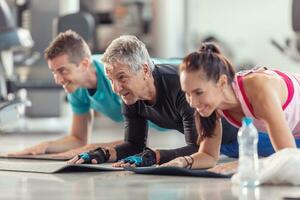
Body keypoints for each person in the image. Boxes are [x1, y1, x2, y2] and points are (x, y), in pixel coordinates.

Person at [68, 36, 239, 166]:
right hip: (219, 148)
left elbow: (197, 148)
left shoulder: (181, 86)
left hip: (246, 135)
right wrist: (103, 153)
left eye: (121, 77)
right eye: (111, 80)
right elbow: (134, 144)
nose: (116, 88)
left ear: (144, 70)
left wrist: (156, 156)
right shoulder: (130, 96)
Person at [8, 30, 178, 159]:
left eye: (63, 71)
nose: (58, 80)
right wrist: (44, 147)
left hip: (180, 80)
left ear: (84, 64)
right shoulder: (77, 88)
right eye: (54, 72)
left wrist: (88, 150)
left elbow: (138, 143)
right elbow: (78, 138)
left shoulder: (117, 74)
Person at [161, 42, 300, 170]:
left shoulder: (260, 91)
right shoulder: (213, 105)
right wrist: (184, 161)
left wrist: (242, 164)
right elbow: (209, 155)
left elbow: (288, 158)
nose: (192, 103)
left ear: (222, 83)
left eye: (198, 92)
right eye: (188, 94)